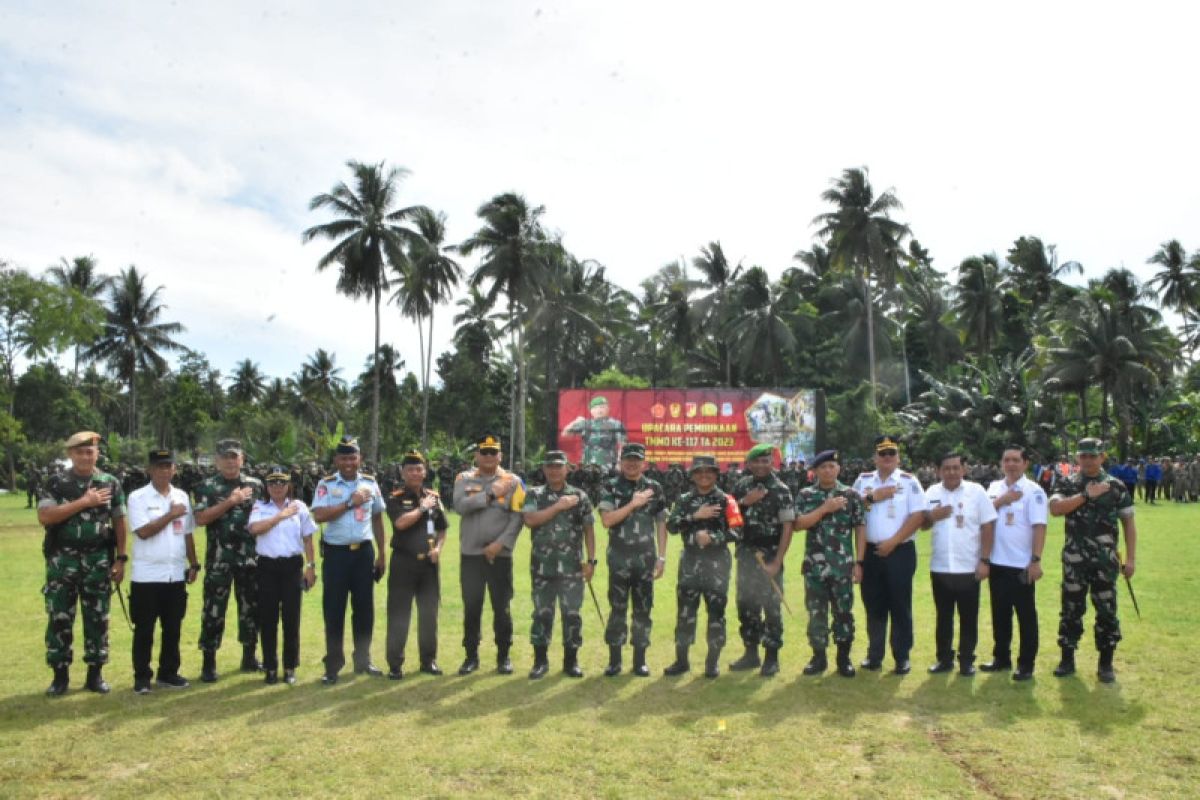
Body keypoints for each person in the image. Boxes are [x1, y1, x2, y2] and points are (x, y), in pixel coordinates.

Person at [39, 431, 129, 695]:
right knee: (59, 619)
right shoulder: (55, 483)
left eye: (91, 452)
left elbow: (119, 521)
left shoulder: (109, 482)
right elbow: (46, 516)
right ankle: (60, 677)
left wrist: (121, 558)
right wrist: (85, 501)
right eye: (80, 452)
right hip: (62, 562)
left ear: (97, 454)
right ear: (70, 454)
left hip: (98, 561)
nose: (86, 456)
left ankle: (95, 675)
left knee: (97, 619)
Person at [1049, 438, 1137, 683]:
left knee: (1107, 611)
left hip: (1105, 562)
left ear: (1102, 457)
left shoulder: (1116, 486)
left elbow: (1129, 523)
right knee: (1070, 610)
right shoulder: (1068, 483)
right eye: (1083, 455)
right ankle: (1067, 659)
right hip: (1074, 561)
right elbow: (1056, 509)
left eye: (1093, 455)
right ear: (1078, 458)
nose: (1087, 459)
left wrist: (1130, 559)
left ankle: (1106, 663)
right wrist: (1086, 495)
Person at [311, 435, 387, 684]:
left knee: (364, 610)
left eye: (352, 457)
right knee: (334, 611)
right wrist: (348, 503)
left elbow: (377, 518)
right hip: (336, 555)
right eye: (343, 457)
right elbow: (319, 516)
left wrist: (382, 554)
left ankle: (363, 660)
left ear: (360, 458)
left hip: (363, 553)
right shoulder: (326, 484)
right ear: (336, 459)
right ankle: (333, 665)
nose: (348, 462)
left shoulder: (371, 483)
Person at [852, 435, 930, 675]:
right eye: (882, 454)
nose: (887, 458)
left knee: (899, 604)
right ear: (875, 457)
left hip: (900, 552)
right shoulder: (863, 480)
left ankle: (901, 656)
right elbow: (852, 510)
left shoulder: (909, 481)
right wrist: (873, 497)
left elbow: (918, 516)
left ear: (898, 457)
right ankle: (874, 655)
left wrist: (893, 542)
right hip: (871, 553)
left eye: (892, 454)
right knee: (873, 604)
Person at [664, 455, 743, 679]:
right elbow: (671, 526)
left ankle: (712, 662)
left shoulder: (727, 500)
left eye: (709, 471)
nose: (704, 475)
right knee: (685, 613)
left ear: (716, 474)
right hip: (690, 564)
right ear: (693, 476)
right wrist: (694, 516)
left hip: (717, 565)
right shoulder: (684, 500)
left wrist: (714, 538)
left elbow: (738, 530)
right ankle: (681, 661)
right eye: (699, 472)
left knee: (716, 613)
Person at [126, 448, 198, 694]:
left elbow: (187, 532)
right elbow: (143, 532)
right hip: (147, 575)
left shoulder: (181, 496)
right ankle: (142, 677)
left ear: (174, 469)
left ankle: (168, 672)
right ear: (150, 470)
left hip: (175, 573)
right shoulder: (138, 497)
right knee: (145, 629)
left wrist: (194, 563)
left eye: (169, 466)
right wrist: (170, 514)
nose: (164, 471)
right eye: (159, 466)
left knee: (173, 628)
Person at [453, 433, 525, 675]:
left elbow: (517, 518)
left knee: (502, 607)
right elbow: (460, 507)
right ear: (476, 455)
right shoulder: (463, 479)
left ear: (500, 455)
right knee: (472, 607)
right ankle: (471, 656)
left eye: (493, 452)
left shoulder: (513, 481)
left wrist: (500, 544)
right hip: (471, 555)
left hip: (500, 556)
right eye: (484, 452)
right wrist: (490, 494)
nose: (489, 456)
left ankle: (503, 656)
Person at [193, 439, 264, 682]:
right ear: (217, 460)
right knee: (213, 610)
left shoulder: (256, 485)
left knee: (251, 609)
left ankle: (249, 657)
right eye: (225, 457)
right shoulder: (206, 487)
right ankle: (209, 663)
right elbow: (201, 519)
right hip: (219, 560)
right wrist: (230, 502)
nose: (230, 461)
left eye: (235, 457)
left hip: (250, 559)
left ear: (242, 459)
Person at [522, 451, 596, 678]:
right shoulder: (534, 494)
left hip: (572, 568)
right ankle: (540, 661)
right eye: (550, 466)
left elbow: (589, 530)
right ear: (544, 469)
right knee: (542, 614)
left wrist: (591, 561)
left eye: (558, 466)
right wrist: (558, 506)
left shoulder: (580, 496)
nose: (554, 470)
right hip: (542, 567)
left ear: (567, 469)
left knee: (572, 614)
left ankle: (571, 662)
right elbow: (530, 520)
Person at [597, 442, 668, 677]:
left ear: (643, 462)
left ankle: (640, 661)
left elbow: (661, 522)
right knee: (617, 608)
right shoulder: (610, 485)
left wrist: (662, 557)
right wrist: (633, 504)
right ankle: (615, 661)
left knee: (643, 609)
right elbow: (607, 520)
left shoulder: (654, 487)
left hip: (645, 558)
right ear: (621, 461)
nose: (632, 463)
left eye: (636, 459)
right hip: (619, 557)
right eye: (628, 459)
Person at [923, 453, 997, 677]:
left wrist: (984, 561)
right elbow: (923, 525)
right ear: (938, 471)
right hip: (941, 567)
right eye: (947, 468)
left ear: (964, 469)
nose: (952, 472)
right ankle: (944, 659)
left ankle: (966, 660)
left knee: (968, 617)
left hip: (969, 566)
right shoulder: (932, 492)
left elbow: (988, 526)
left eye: (956, 467)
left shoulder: (976, 492)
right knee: (943, 616)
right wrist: (932, 516)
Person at [793, 449, 865, 677]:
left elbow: (860, 528)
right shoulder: (806, 495)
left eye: (832, 466)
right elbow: (798, 524)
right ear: (815, 471)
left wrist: (859, 562)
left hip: (842, 565)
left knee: (843, 613)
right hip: (814, 567)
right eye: (823, 467)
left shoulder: (851, 494)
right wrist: (824, 508)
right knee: (816, 613)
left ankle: (843, 659)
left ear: (838, 469)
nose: (828, 470)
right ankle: (819, 658)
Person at [728, 443, 795, 677]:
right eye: (755, 461)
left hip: (769, 555)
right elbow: (730, 516)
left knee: (771, 607)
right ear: (748, 464)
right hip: (746, 555)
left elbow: (788, 527)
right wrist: (745, 501)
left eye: (765, 460)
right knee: (747, 605)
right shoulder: (740, 486)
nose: (760, 465)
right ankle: (750, 653)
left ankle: (772, 657)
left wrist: (777, 561)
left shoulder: (781, 489)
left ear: (772, 462)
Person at [247, 466, 317, 685]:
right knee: (268, 619)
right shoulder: (260, 506)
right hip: (267, 567)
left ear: (288, 485)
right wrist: (280, 516)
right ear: (267, 487)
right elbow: (255, 529)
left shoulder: (300, 507)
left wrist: (311, 566)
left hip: (291, 567)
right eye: (272, 483)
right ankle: (270, 667)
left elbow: (307, 538)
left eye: (281, 483)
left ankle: (289, 667)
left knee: (291, 618)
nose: (277, 487)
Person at [984, 445, 1048, 681]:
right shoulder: (993, 488)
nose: (1010, 464)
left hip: (1022, 565)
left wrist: (1035, 561)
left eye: (1015, 460)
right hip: (997, 562)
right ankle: (1001, 658)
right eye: (1007, 460)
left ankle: (1026, 664)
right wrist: (1003, 500)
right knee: (1000, 614)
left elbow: (1040, 527)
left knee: (1025, 616)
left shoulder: (1034, 491)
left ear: (1025, 464)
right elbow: (983, 515)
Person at [385, 451, 448, 679]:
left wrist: (439, 549)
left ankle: (428, 661)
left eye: (419, 468)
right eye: (410, 469)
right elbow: (401, 523)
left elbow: (442, 528)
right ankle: (395, 664)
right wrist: (422, 508)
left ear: (425, 471)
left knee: (429, 615)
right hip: (403, 563)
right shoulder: (395, 497)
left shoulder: (434, 496)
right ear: (402, 472)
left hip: (429, 566)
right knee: (399, 614)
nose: (415, 472)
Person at [561, 395, 627, 468]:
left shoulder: (616, 424)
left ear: (608, 408)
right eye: (595, 408)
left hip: (608, 465)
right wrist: (575, 422)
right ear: (591, 411)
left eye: (602, 407)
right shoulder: (586, 424)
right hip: (588, 465)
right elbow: (565, 433)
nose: (599, 410)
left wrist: (620, 463)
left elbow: (622, 445)